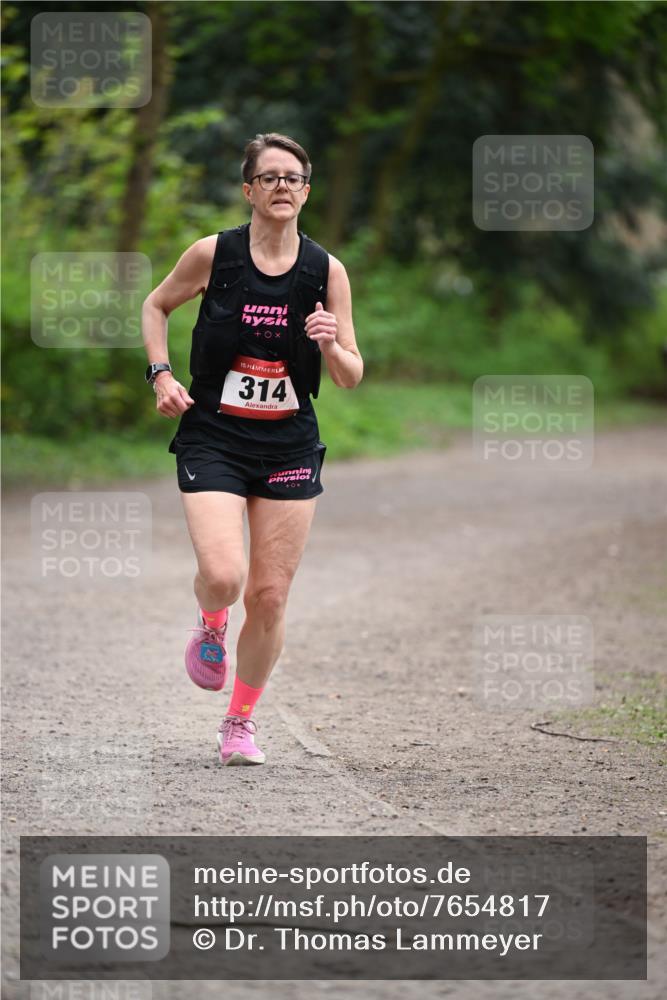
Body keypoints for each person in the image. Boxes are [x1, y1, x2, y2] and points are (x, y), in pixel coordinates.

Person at [141, 132, 363, 766]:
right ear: (249, 190)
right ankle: (211, 623)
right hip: (213, 435)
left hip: (289, 441)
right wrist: (160, 375)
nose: (282, 187)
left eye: (294, 178)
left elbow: (350, 374)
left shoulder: (326, 271)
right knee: (224, 576)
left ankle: (239, 722)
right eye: (270, 178)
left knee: (268, 597)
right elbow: (156, 306)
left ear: (307, 191)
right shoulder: (215, 254)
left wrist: (328, 343)